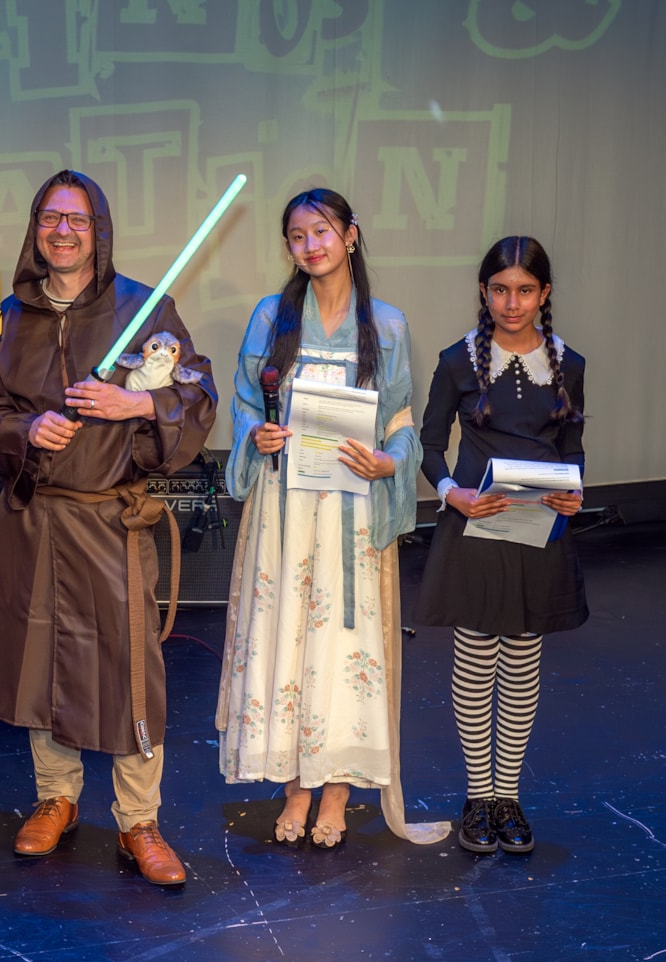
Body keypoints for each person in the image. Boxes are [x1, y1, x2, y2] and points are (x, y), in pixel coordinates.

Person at [0, 169, 217, 886]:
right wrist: (25, 427)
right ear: (35, 228)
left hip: (112, 519)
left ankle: (139, 818)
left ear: (99, 232)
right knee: (40, 661)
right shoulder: (7, 317)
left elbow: (196, 393)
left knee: (131, 671)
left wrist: (135, 406)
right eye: (50, 218)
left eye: (77, 220)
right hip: (36, 518)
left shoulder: (145, 307)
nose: (62, 231)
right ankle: (56, 797)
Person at [215, 189, 448, 849]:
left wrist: (387, 461)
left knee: (343, 649)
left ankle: (337, 791)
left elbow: (401, 421)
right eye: (296, 235)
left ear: (350, 235)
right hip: (285, 510)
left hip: (351, 508)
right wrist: (257, 433)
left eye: (321, 231)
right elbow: (242, 402)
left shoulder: (389, 326)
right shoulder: (271, 317)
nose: (310, 245)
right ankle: (294, 787)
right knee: (288, 640)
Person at [413, 236, 586, 854]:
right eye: (500, 289)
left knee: (521, 660)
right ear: (484, 292)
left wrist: (575, 489)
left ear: (544, 294)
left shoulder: (570, 363)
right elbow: (428, 446)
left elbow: (572, 447)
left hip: (539, 531)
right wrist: (451, 493)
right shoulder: (458, 360)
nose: (512, 303)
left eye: (526, 290)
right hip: (476, 528)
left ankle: (507, 796)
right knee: (476, 657)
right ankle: (477, 796)